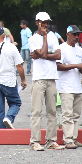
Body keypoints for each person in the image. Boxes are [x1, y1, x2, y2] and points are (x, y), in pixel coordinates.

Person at [28, 12, 63, 151]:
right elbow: (43, 53)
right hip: (38, 78)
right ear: (37, 22)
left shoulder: (53, 37)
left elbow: (58, 55)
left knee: (52, 111)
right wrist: (44, 41)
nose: (46, 25)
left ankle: (51, 141)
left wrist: (42, 55)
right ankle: (35, 142)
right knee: (36, 111)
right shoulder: (32, 39)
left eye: (47, 22)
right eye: (43, 22)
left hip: (51, 78)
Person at [57, 25, 82, 148]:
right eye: (74, 34)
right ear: (67, 34)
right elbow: (58, 66)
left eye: (78, 34)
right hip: (65, 86)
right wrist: (76, 65)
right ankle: (68, 139)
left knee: (76, 115)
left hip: (77, 86)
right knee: (67, 114)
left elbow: (81, 67)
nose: (76, 37)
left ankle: (74, 138)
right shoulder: (61, 48)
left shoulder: (79, 49)